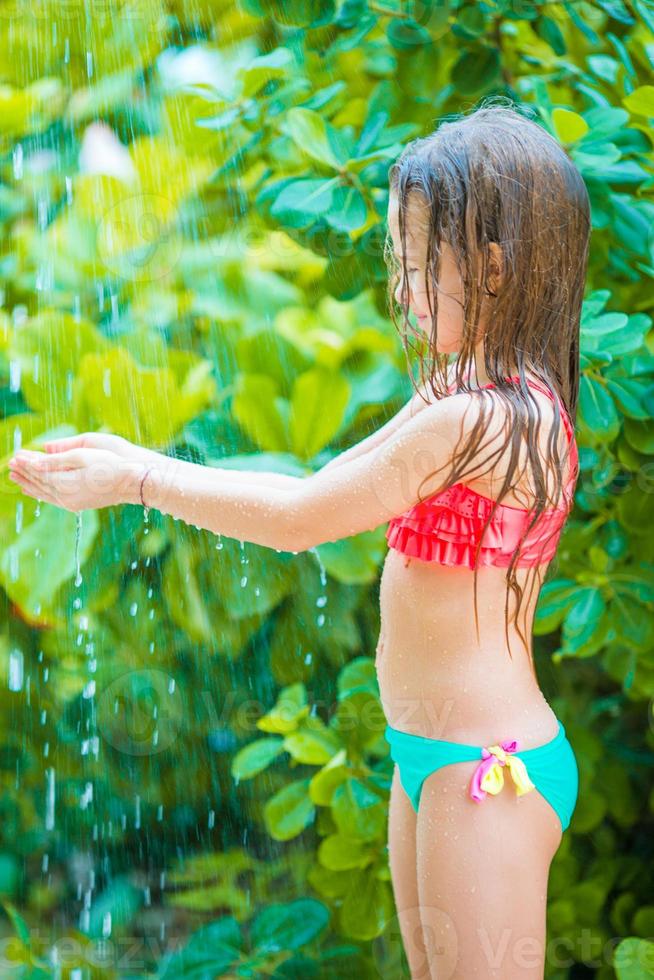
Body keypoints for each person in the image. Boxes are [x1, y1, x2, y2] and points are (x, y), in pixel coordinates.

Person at [8, 99, 590, 979]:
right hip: (428, 754)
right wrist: (137, 460)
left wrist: (139, 479)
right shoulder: (471, 393)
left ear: (496, 267)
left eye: (418, 263)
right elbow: (311, 489)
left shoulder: (483, 420)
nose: (401, 285)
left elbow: (299, 523)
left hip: (486, 774)